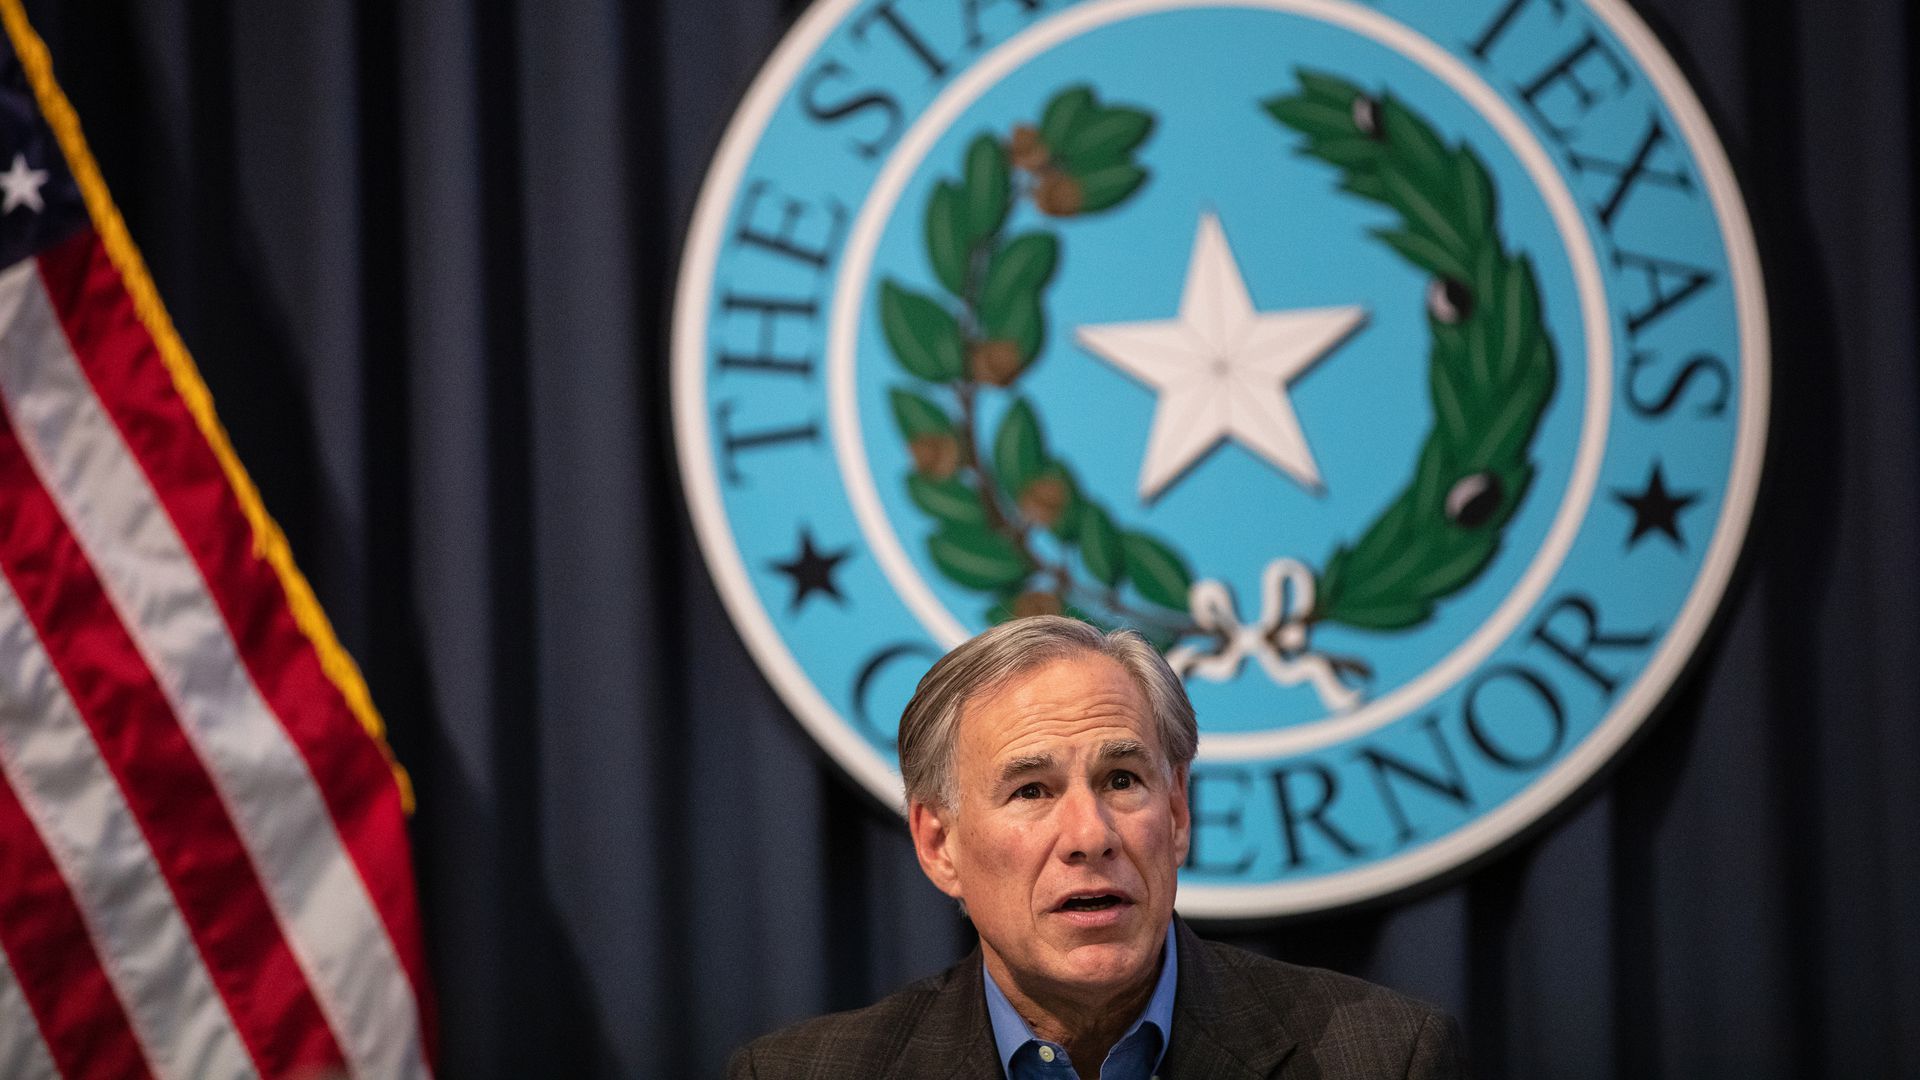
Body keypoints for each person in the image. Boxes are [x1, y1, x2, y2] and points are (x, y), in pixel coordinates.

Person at [729, 616, 1466, 1079]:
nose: (1089, 836)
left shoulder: (1384, 1058)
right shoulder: (798, 1073)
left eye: (1121, 779)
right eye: (1031, 791)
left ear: (1177, 812)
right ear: (938, 843)